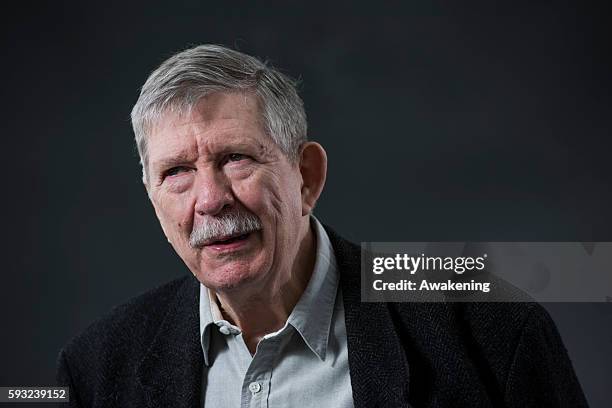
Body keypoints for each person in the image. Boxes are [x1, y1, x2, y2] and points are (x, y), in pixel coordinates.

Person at [57, 44, 588, 408]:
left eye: (238, 158)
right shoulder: (96, 371)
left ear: (306, 176)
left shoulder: (490, 332)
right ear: (153, 200)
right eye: (177, 173)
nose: (211, 200)